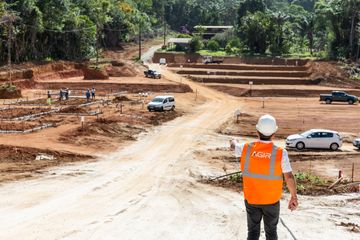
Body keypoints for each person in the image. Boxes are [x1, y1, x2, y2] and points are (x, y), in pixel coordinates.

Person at [230, 114, 298, 240]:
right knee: (271, 232)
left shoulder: (246, 149)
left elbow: (233, 146)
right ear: (274, 133)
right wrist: (294, 197)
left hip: (252, 199)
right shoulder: (280, 153)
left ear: (257, 131)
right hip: (271, 201)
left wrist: (233, 140)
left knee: (253, 232)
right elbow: (288, 177)